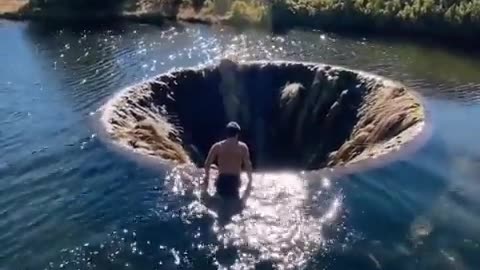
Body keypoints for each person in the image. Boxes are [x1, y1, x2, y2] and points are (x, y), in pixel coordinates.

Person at [202, 121, 253, 198]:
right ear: (237, 134)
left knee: (219, 201)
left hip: (222, 180)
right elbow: (248, 165)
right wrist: (250, 180)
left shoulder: (217, 146)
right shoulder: (243, 147)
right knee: (234, 202)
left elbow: (207, 164)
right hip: (235, 181)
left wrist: (207, 177)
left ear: (227, 133)